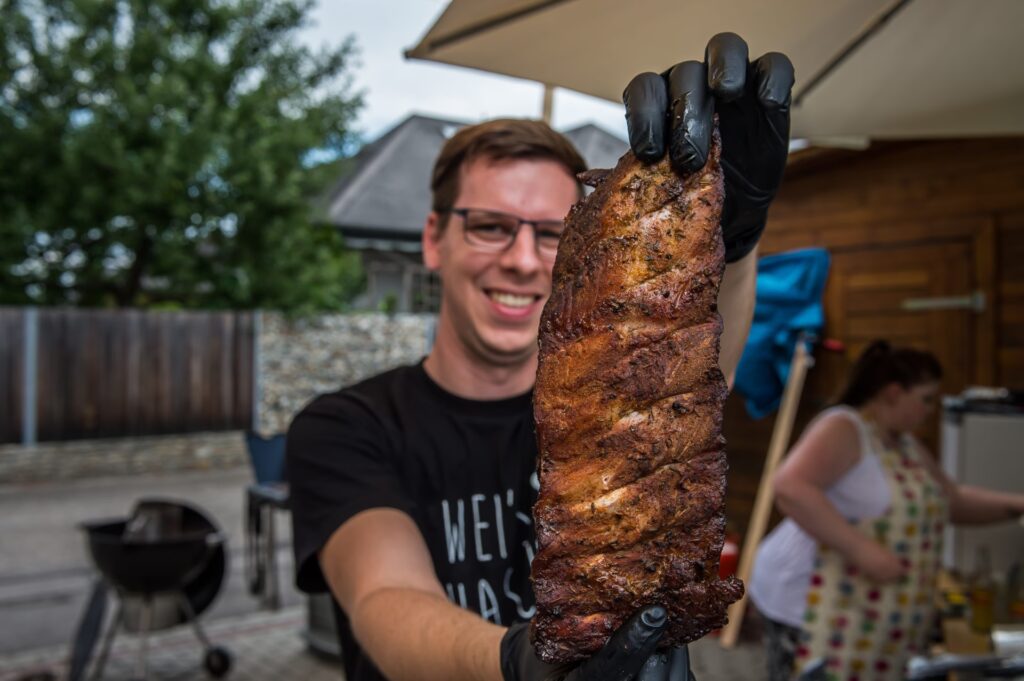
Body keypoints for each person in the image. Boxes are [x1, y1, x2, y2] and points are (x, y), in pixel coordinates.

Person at [287, 33, 795, 681]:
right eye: (490, 226)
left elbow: (698, 368)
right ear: (434, 240)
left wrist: (732, 240)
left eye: (553, 232)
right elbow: (385, 599)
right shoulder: (346, 426)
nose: (524, 260)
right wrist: (516, 663)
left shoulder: (619, 404)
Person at [749, 341, 1024, 681]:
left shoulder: (904, 442)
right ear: (894, 393)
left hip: (868, 609)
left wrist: (1017, 504)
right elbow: (790, 487)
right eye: (925, 399)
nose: (929, 410)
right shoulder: (844, 426)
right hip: (808, 599)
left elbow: (952, 501)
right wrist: (861, 549)